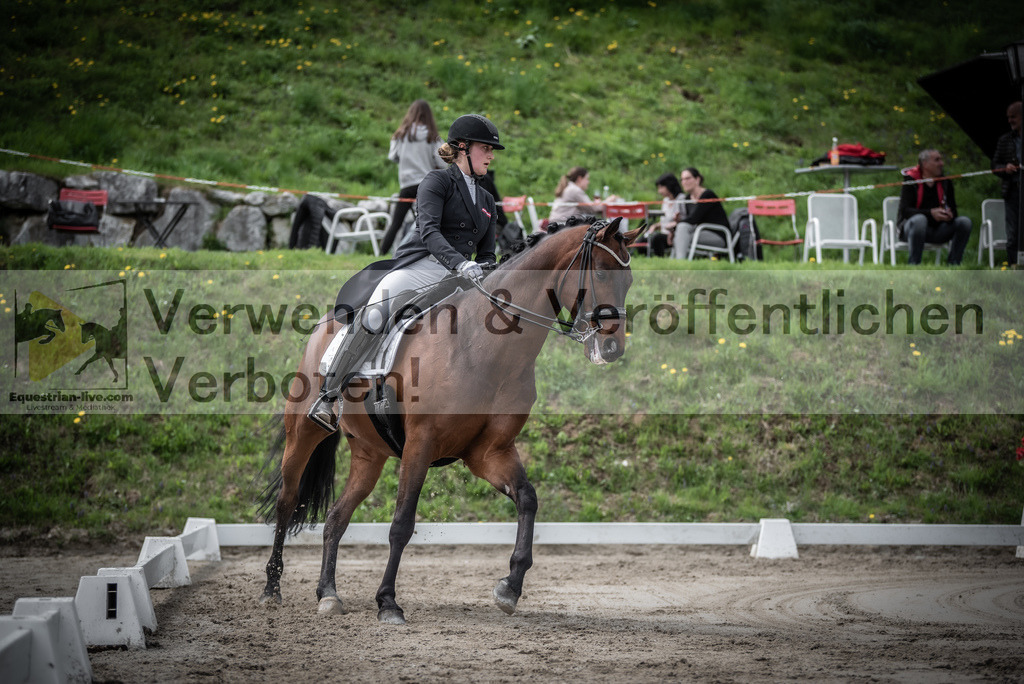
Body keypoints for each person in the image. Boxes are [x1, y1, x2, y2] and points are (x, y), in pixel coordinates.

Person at [310, 114, 503, 431]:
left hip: (460, 278)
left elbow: (486, 253)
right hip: (421, 267)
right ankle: (328, 394)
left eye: (492, 150)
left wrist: (487, 268)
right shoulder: (437, 182)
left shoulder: (487, 200)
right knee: (375, 315)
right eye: (486, 148)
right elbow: (429, 231)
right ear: (463, 147)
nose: (491, 155)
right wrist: (460, 262)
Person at [379, 100, 447, 254]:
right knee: (429, 223)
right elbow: (442, 163)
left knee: (396, 223)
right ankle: (429, 253)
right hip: (426, 185)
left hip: (407, 184)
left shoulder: (400, 135)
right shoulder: (433, 137)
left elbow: (392, 156)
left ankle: (382, 253)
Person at [897, 149, 972, 265]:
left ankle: (954, 264)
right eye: (937, 160)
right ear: (925, 163)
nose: (941, 163)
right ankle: (914, 264)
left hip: (939, 230)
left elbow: (954, 211)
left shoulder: (945, 182)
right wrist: (931, 213)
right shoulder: (911, 181)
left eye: (941, 160)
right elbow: (905, 211)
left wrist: (948, 215)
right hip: (913, 230)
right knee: (920, 220)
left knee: (964, 222)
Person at [670, 167, 730, 260]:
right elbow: (690, 221)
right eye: (682, 179)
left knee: (681, 232)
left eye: (687, 178)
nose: (684, 182)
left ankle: (680, 262)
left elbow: (693, 219)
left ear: (697, 179)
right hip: (699, 232)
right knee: (681, 232)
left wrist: (676, 225)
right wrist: (677, 225)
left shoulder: (707, 195)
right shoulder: (687, 199)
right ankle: (678, 261)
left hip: (717, 234)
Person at [992, 101, 1022, 265]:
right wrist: (1005, 168)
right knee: (1013, 234)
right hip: (1012, 192)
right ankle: (1013, 268)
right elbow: (994, 165)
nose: (1010, 120)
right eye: (1008, 117)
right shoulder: (1005, 140)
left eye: (1013, 117)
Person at [547, 167, 620, 223]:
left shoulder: (569, 187)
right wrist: (608, 201)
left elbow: (589, 208)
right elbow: (593, 208)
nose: (588, 182)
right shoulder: (575, 190)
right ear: (579, 179)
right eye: (587, 179)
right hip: (562, 223)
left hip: (557, 221)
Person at [649, 172, 686, 257]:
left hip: (675, 234)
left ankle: (660, 259)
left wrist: (673, 229)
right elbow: (664, 221)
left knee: (657, 238)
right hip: (664, 232)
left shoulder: (682, 199)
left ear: (669, 185)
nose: (659, 191)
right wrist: (655, 226)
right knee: (643, 239)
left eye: (661, 187)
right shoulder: (665, 201)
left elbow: (685, 219)